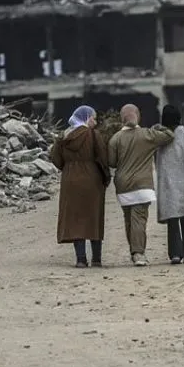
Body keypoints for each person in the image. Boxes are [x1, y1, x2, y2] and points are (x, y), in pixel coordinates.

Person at [107, 104, 174, 266]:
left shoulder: (115, 139)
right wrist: (158, 127)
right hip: (142, 185)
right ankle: (138, 253)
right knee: (139, 220)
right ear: (138, 116)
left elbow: (112, 162)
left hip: (122, 184)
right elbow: (169, 135)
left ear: (121, 118)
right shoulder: (147, 134)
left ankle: (134, 251)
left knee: (129, 220)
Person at [49, 105, 110, 268]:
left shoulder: (64, 136)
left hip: (70, 180)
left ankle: (81, 259)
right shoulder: (93, 135)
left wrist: (69, 167)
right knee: (93, 217)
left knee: (75, 219)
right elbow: (102, 157)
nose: (95, 122)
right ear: (87, 118)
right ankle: (96, 259)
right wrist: (106, 177)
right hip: (92, 179)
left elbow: (55, 159)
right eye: (93, 118)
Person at [154, 105, 184, 264]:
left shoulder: (158, 134)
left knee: (172, 218)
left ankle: (175, 254)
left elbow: (155, 157)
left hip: (166, 180)